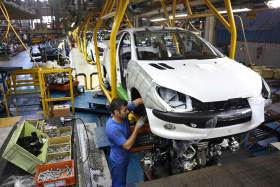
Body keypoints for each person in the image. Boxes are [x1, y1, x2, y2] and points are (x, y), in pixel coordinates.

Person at [105, 98, 146, 187]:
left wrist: (149, 103)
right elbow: (127, 146)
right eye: (125, 110)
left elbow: (138, 101)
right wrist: (136, 128)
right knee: (119, 184)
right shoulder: (112, 128)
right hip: (119, 159)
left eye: (127, 108)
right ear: (116, 112)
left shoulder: (123, 111)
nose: (128, 111)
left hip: (125, 154)